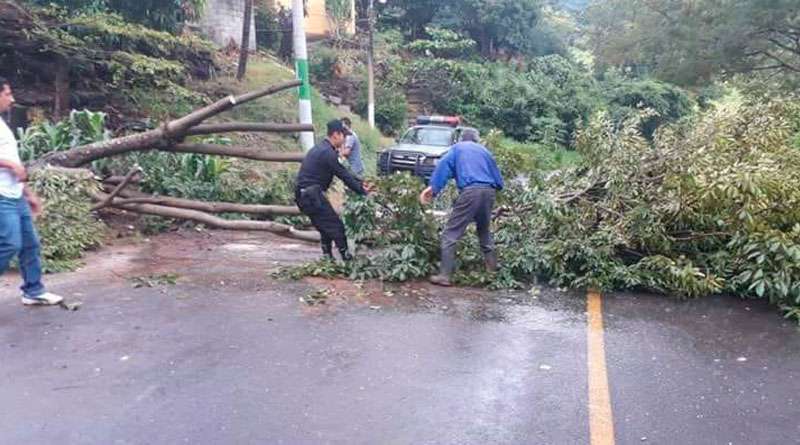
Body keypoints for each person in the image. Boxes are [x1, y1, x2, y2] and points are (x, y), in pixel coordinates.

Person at [0, 77, 63, 305]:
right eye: (8, 93)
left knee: (30, 243)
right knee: (10, 243)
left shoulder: (2, 124)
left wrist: (28, 194)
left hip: (15, 194)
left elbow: (15, 163)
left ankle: (33, 291)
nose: (12, 98)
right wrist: (10, 165)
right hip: (1, 197)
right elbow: (11, 164)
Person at [419, 128, 504, 286]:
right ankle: (492, 272)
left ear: (461, 139)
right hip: (489, 192)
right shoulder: (485, 151)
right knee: (484, 230)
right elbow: (499, 181)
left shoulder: (457, 148)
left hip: (471, 191)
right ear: (476, 140)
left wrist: (433, 188)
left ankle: (444, 276)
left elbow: (443, 166)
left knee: (450, 234)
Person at [295, 119, 371, 261]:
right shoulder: (328, 153)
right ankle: (347, 260)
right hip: (311, 196)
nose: (344, 139)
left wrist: (361, 183)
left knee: (326, 227)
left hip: (304, 195)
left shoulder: (320, 149)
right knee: (337, 227)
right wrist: (363, 192)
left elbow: (345, 172)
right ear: (336, 135)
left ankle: (327, 258)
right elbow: (344, 176)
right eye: (343, 135)